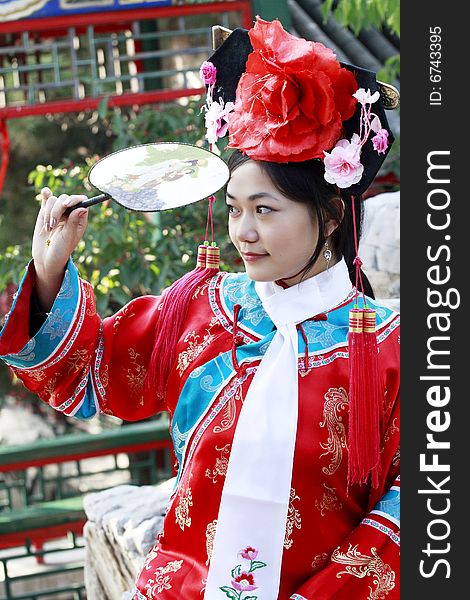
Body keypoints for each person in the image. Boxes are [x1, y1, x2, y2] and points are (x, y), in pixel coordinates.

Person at [0, 17, 400, 600]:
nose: (244, 232)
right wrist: (50, 268)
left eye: (265, 210)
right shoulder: (202, 308)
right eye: (235, 209)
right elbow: (89, 370)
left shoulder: (395, 347)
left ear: (333, 214)